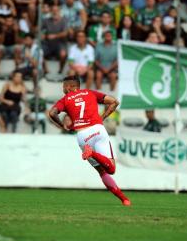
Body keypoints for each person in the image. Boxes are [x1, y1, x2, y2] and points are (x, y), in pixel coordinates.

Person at [48, 75, 131, 206]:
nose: (63, 89)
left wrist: (61, 125)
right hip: (97, 130)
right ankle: (92, 153)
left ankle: (124, 199)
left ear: (69, 87)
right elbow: (114, 101)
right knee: (112, 169)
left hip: (82, 135)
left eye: (64, 87)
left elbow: (52, 113)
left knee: (101, 171)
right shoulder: (90, 92)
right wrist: (102, 117)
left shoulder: (65, 99)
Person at [42, 5, 69, 74]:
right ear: (51, 11)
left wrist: (55, 36)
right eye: (53, 11)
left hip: (60, 43)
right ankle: (45, 71)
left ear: (59, 11)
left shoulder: (64, 20)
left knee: (63, 54)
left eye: (56, 10)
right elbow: (39, 30)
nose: (55, 12)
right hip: (48, 43)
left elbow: (65, 33)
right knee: (39, 52)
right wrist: (43, 35)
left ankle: (60, 71)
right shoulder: (46, 20)